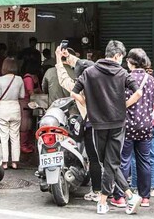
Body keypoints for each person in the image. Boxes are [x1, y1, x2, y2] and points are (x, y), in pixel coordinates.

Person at [72, 40, 143, 215]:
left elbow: (74, 91)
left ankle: (103, 201)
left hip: (98, 124)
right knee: (110, 163)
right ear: (117, 55)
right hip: (118, 123)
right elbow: (138, 92)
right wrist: (123, 105)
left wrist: (87, 104)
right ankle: (128, 195)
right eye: (122, 57)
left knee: (107, 162)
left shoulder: (89, 72)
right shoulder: (122, 73)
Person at [55, 46, 100, 202]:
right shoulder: (103, 81)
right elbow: (87, 66)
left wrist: (59, 60)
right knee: (109, 158)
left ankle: (97, 191)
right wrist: (70, 57)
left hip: (91, 125)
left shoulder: (79, 88)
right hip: (109, 125)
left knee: (94, 159)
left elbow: (63, 79)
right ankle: (115, 192)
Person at [114, 49, 154, 209]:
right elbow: (152, 102)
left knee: (124, 161)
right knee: (144, 161)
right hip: (146, 126)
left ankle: (121, 197)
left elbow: (121, 100)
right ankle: (145, 198)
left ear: (131, 62)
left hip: (127, 125)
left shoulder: (125, 78)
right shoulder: (151, 80)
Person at [132, 66, 154, 198]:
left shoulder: (132, 82)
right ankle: (153, 187)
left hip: (138, 123)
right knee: (153, 156)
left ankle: (134, 186)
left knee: (135, 157)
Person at [0, 57, 25, 169]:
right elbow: (22, 95)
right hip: (15, 107)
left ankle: (4, 162)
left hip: (3, 107)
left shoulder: (0, 80)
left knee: (3, 136)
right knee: (15, 135)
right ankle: (15, 162)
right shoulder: (19, 79)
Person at [20, 55, 41, 153]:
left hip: (32, 102)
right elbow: (31, 91)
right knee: (25, 125)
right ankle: (23, 145)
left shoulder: (33, 77)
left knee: (30, 124)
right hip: (26, 103)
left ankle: (28, 143)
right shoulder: (28, 78)